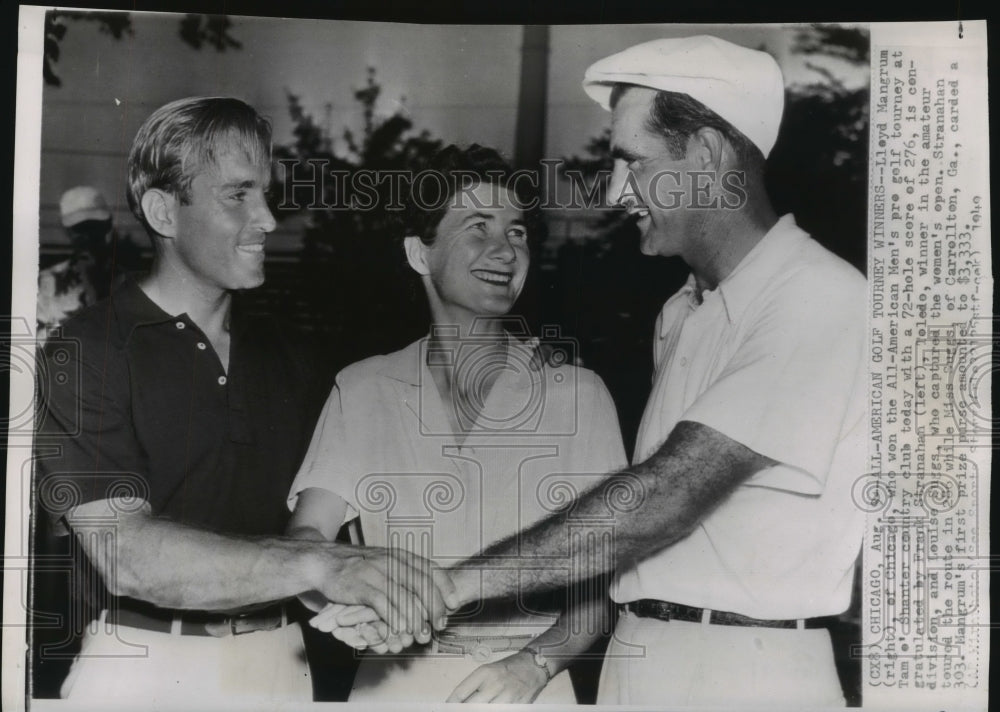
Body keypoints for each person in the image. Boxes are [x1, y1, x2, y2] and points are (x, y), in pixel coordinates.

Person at [329, 36, 867, 708]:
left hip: (748, 670)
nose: (616, 191)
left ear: (705, 156)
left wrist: (449, 586)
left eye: (632, 162)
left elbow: (665, 497)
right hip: (640, 664)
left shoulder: (819, 298)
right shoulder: (681, 312)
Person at [34, 96, 455, 704]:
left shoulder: (297, 357)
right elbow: (127, 556)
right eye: (237, 195)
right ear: (163, 211)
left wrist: (376, 596)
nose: (267, 219)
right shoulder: (86, 349)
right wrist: (321, 567)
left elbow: (329, 529)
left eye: (266, 193)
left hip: (279, 662)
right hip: (143, 666)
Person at [286, 144, 627, 704]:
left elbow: (601, 581)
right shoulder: (363, 387)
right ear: (420, 254)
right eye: (478, 227)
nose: (505, 250)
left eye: (517, 232)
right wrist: (346, 604)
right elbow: (307, 538)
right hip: (392, 683)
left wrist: (534, 665)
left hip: (528, 686)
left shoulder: (578, 395)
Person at [36, 186, 141, 341]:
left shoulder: (131, 284)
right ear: (68, 232)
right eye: (79, 229)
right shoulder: (46, 282)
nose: (88, 236)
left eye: (95, 227)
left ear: (107, 226)